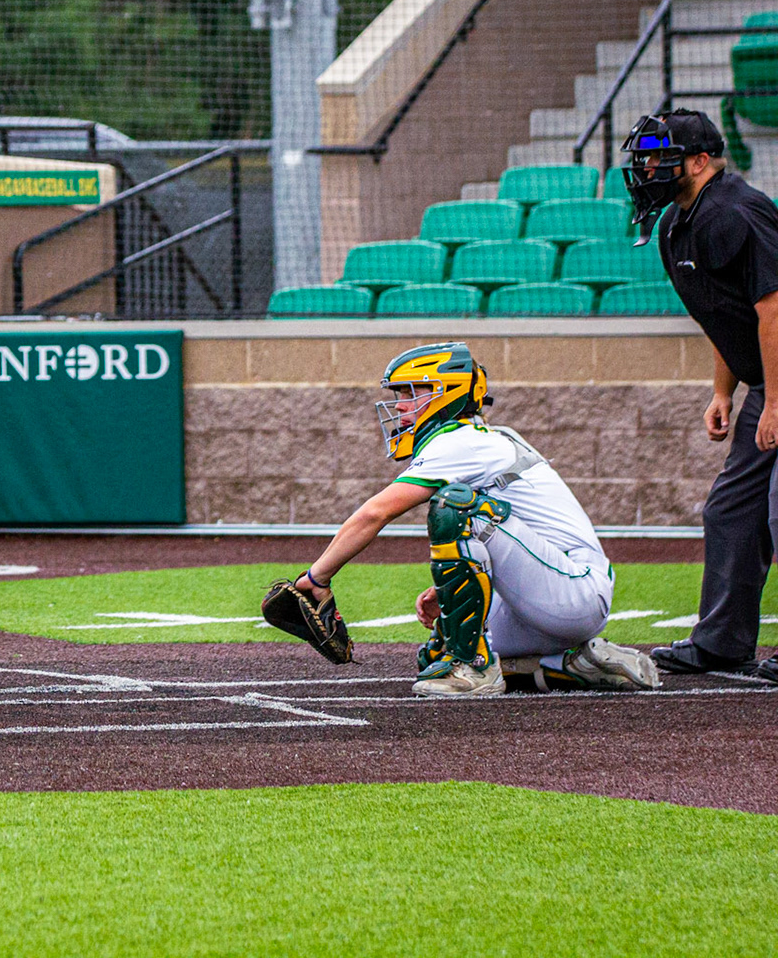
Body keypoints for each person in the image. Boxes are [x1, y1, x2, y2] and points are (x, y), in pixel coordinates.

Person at [287, 342, 661, 697]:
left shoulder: (461, 440)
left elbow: (376, 512)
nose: (399, 405)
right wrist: (452, 591)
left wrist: (316, 578)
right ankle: (575, 662)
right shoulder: (477, 438)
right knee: (436, 653)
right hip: (554, 594)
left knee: (456, 507)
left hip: (575, 593)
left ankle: (475, 668)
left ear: (446, 393)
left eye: (410, 392)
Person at [622, 110, 778, 681]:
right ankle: (721, 642)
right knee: (731, 508)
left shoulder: (737, 213)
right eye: (644, 158)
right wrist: (723, 390)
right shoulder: (675, 226)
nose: (647, 169)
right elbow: (723, 314)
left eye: (659, 158)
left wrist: (776, 402)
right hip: (765, 382)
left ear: (700, 161)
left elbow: (774, 309)